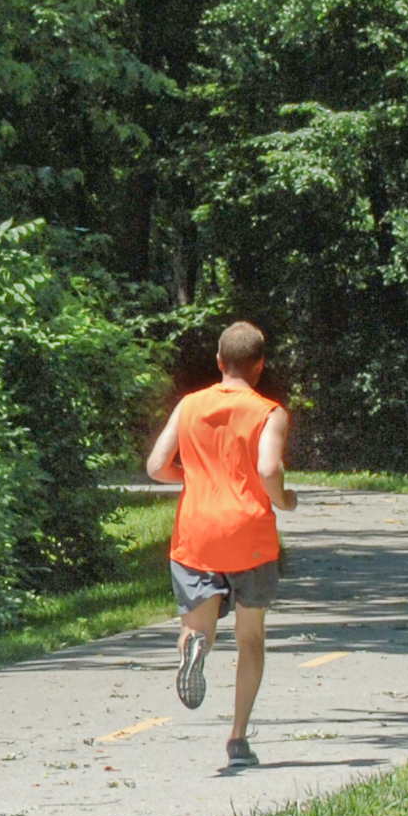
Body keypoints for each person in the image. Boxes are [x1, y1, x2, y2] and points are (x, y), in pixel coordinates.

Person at [142, 321, 294, 767]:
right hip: (249, 536)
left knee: (198, 626)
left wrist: (191, 477)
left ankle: (196, 646)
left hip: (197, 533)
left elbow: (155, 466)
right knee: (250, 637)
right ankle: (238, 739)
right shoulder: (269, 412)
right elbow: (268, 471)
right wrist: (286, 499)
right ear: (260, 364)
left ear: (218, 362)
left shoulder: (189, 404)